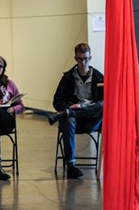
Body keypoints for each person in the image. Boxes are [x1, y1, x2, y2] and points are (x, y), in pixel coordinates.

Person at [47, 43, 104, 178]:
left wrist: (81, 108)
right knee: (68, 120)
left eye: (86, 59)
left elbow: (105, 102)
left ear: (90, 58)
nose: (83, 62)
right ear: (75, 58)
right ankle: (71, 165)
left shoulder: (99, 77)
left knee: (104, 105)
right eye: (80, 59)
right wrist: (69, 107)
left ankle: (68, 112)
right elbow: (57, 101)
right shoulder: (67, 78)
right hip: (73, 121)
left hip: (91, 120)